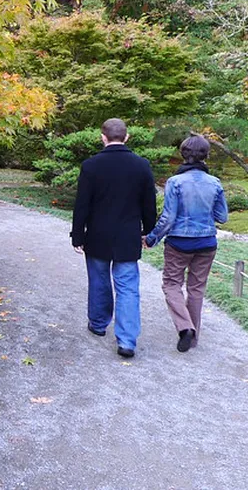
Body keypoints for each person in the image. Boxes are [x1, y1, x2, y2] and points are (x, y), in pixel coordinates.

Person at [71, 118, 157, 358]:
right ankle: (127, 340)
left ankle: (98, 324)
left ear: (103, 137)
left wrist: (77, 234)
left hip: (97, 235)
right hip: (128, 236)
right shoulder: (141, 165)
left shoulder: (91, 166)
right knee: (128, 287)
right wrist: (148, 232)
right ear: (126, 137)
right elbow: (149, 204)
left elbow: (82, 205)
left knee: (99, 281)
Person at [144, 135, 229, 353]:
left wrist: (152, 238)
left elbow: (169, 217)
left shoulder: (175, 182)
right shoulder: (215, 183)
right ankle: (193, 338)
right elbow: (222, 216)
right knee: (196, 288)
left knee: (172, 284)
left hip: (179, 243)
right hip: (207, 242)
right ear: (206, 156)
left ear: (183, 154)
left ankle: (184, 327)